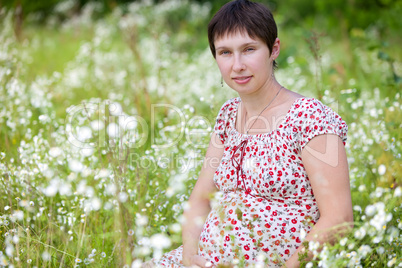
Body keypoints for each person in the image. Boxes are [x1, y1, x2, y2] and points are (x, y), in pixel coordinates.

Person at [148, 0, 353, 267]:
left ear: (274, 49)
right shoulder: (228, 116)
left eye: (249, 49)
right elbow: (200, 200)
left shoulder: (309, 117)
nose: (237, 65)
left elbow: (339, 218)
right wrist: (189, 257)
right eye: (225, 53)